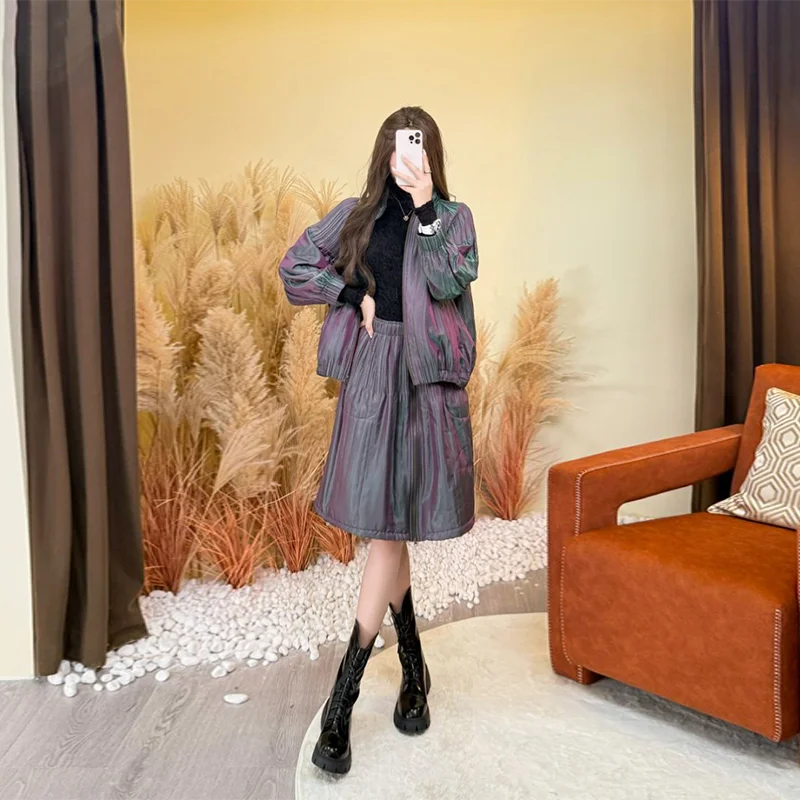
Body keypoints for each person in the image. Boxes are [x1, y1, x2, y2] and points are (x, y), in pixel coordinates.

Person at [279, 105, 478, 774]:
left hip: (426, 381)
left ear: (430, 155)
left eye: (415, 149)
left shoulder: (453, 219)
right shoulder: (355, 216)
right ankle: (412, 669)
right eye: (395, 149)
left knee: (391, 532)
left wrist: (425, 209)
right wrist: (348, 294)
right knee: (387, 528)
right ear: (382, 155)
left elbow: (448, 281)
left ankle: (343, 702)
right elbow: (294, 269)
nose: (404, 160)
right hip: (374, 373)